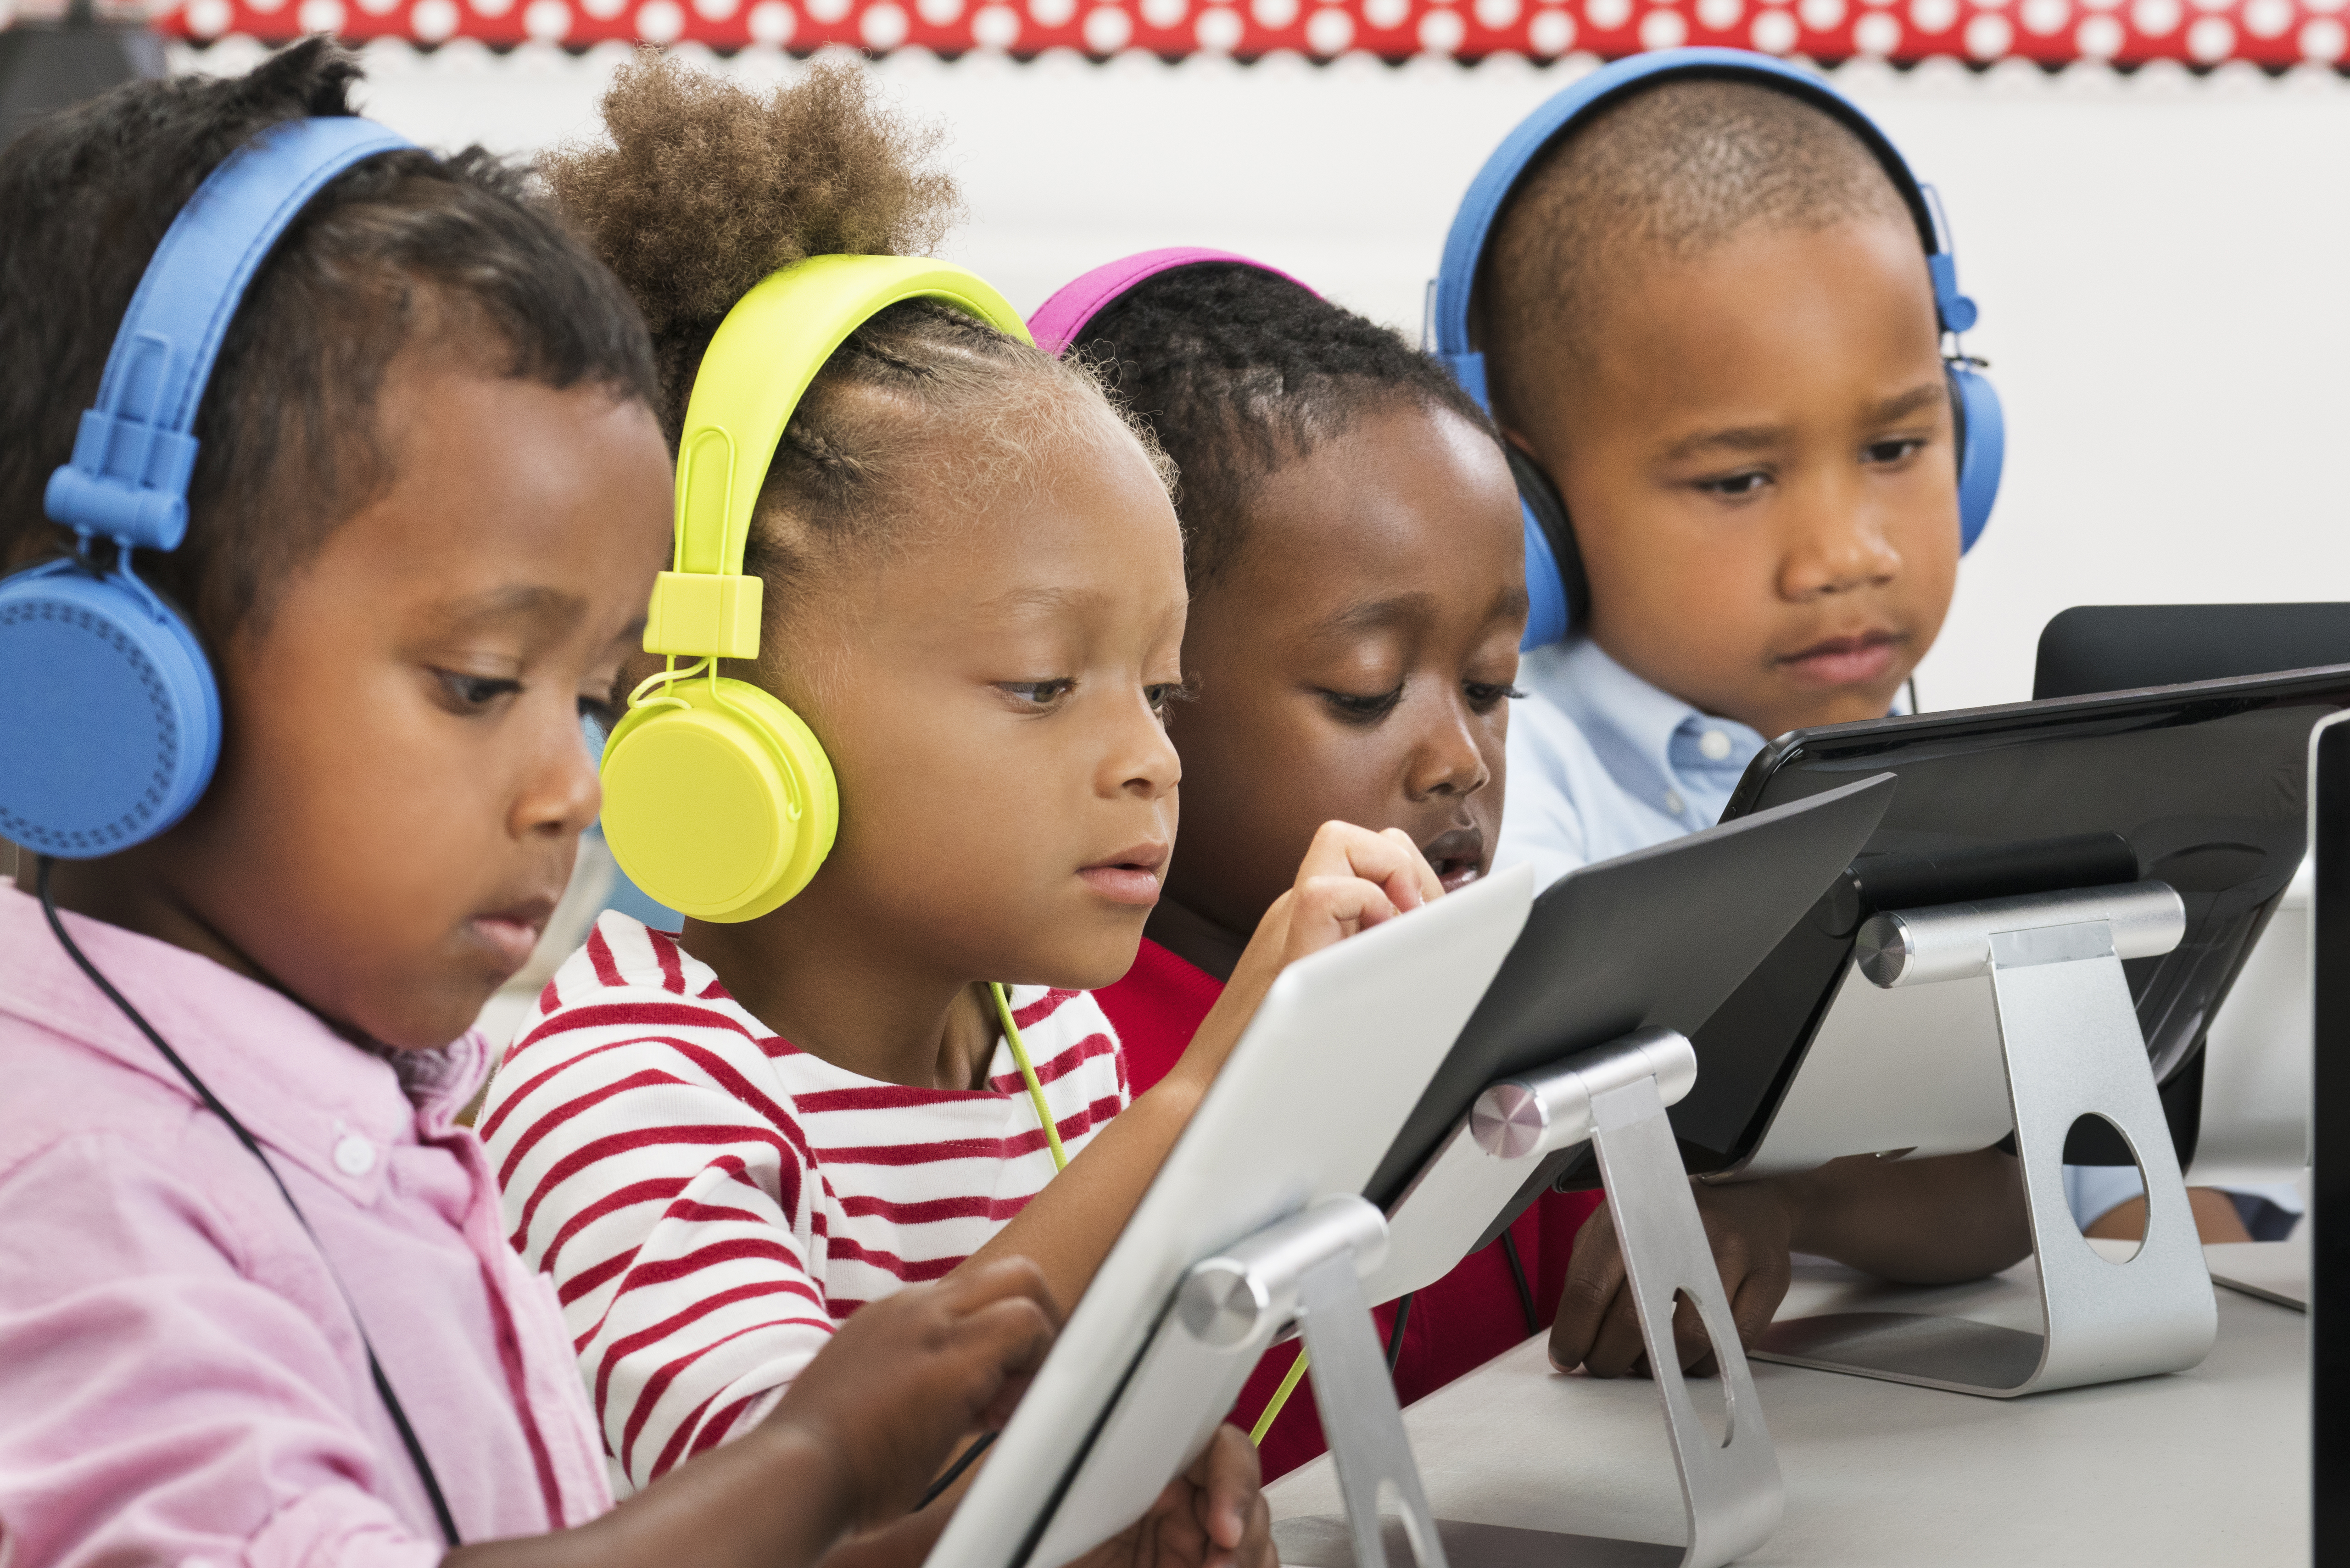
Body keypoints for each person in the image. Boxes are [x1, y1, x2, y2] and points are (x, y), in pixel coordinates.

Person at [0, 40, 1072, 1568]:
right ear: (108, 659)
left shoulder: (382, 1082)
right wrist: (818, 1455)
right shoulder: (71, 1192)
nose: (575, 788)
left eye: (591, 694)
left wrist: (998, 1538)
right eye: (478, 680)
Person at [477, 58, 1422, 1560]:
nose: (1150, 762)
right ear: (719, 693)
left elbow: (1040, 1467)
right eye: (1048, 684)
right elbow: (808, 1530)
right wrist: (1197, 1110)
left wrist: (1162, 1475)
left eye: (1159, 690)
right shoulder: (618, 1102)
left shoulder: (1044, 1045)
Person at [1044, 252, 1610, 1478]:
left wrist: (1699, 1242)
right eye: (1364, 694)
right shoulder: (1058, 1060)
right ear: (1140, 692)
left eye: (1489, 686)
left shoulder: (1491, 1007)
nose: (1460, 758)